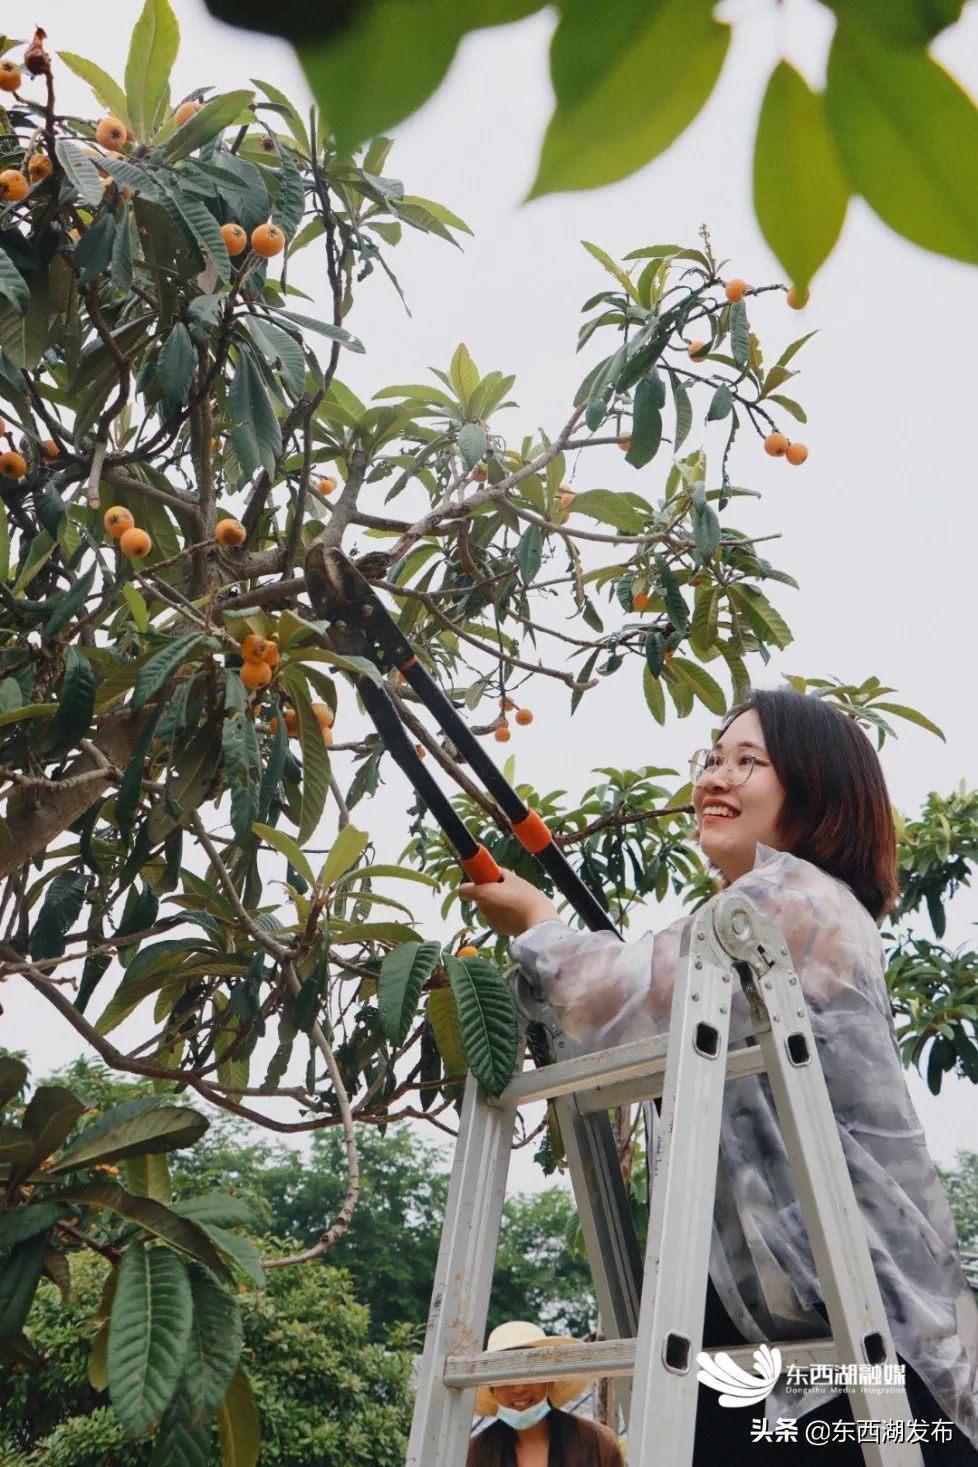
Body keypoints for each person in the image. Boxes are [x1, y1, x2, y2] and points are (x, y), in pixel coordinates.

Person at [460, 690, 978, 1465]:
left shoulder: (795, 901)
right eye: (712, 757)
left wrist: (538, 921)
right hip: (780, 1323)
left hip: (850, 1341)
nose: (715, 777)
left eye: (749, 761)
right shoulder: (756, 910)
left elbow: (614, 994)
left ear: (815, 788)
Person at [467, 1320, 624, 1467]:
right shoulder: (475, 1455)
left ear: (549, 1380)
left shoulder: (597, 1444)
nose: (519, 1388)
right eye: (505, 1377)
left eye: (529, 1374)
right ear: (492, 1389)